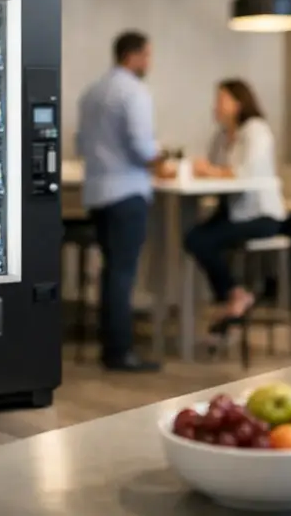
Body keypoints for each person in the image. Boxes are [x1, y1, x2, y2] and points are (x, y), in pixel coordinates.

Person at [76, 31, 174, 372]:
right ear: (132, 56)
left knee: (110, 271)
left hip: (97, 193)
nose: (149, 63)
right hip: (126, 193)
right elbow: (142, 145)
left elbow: (80, 143)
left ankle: (111, 345)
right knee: (122, 274)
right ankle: (119, 352)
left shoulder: (92, 92)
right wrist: (161, 162)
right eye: (147, 55)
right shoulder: (133, 91)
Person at [185, 79, 286, 337]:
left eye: (221, 99)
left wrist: (209, 171)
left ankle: (234, 296)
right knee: (194, 238)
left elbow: (244, 173)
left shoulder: (256, 131)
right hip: (232, 210)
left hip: (261, 214)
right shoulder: (221, 136)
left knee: (200, 240)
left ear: (239, 103)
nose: (216, 105)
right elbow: (214, 170)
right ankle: (235, 296)